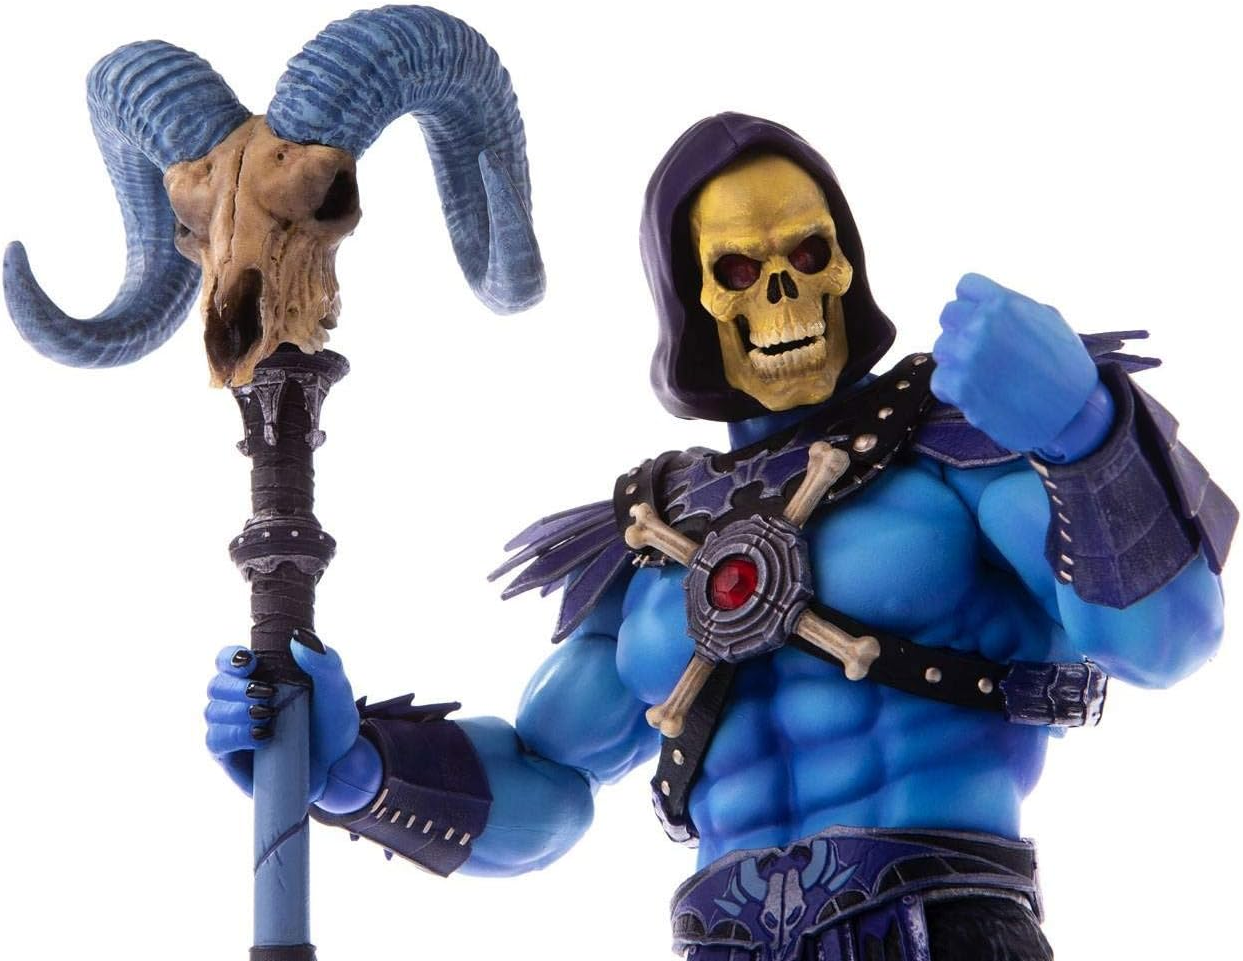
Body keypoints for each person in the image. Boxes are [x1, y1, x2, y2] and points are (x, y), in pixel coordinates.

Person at [205, 113, 1233, 961]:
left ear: (846, 266)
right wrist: (354, 771)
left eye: (807, 254)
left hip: (940, 928)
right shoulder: (649, 540)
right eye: (738, 267)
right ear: (690, 298)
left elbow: (1165, 641)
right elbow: (547, 779)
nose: (781, 291)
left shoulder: (960, 446)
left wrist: (1083, 435)